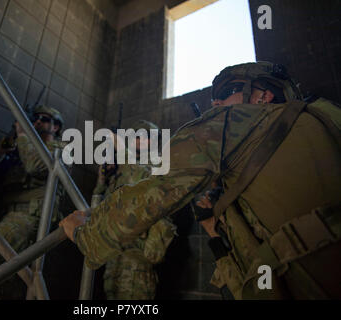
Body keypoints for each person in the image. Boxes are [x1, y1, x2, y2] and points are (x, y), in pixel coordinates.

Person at [60, 61, 341, 299]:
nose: (216, 103)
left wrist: (87, 236)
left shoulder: (233, 122)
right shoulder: (324, 117)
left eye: (226, 92)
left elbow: (152, 195)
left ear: (263, 96)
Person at [0, 105, 66, 299]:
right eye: (35, 118)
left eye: (44, 119)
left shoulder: (61, 149)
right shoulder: (22, 148)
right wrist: (1, 153)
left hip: (32, 214)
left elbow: (36, 167)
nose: (37, 121)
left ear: (55, 127)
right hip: (7, 213)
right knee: (9, 281)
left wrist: (22, 135)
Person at [91, 120, 176, 300]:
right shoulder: (122, 171)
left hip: (139, 258)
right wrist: (102, 180)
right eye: (136, 137)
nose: (139, 140)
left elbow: (144, 184)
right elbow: (97, 207)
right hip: (114, 253)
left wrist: (120, 148)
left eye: (146, 137)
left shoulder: (159, 165)